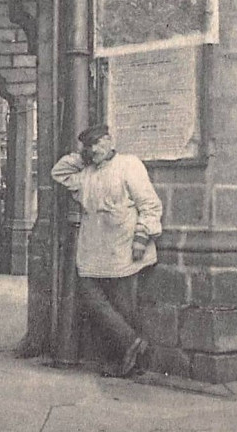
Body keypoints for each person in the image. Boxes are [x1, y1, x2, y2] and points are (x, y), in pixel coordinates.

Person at [51, 123, 162, 377]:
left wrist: (142, 237)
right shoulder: (86, 173)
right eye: (89, 146)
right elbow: (58, 172)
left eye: (98, 143)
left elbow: (150, 204)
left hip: (124, 248)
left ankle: (126, 364)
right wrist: (82, 157)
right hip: (94, 249)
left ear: (110, 140)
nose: (93, 149)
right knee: (92, 297)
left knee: (124, 307)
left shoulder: (129, 165)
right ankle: (132, 342)